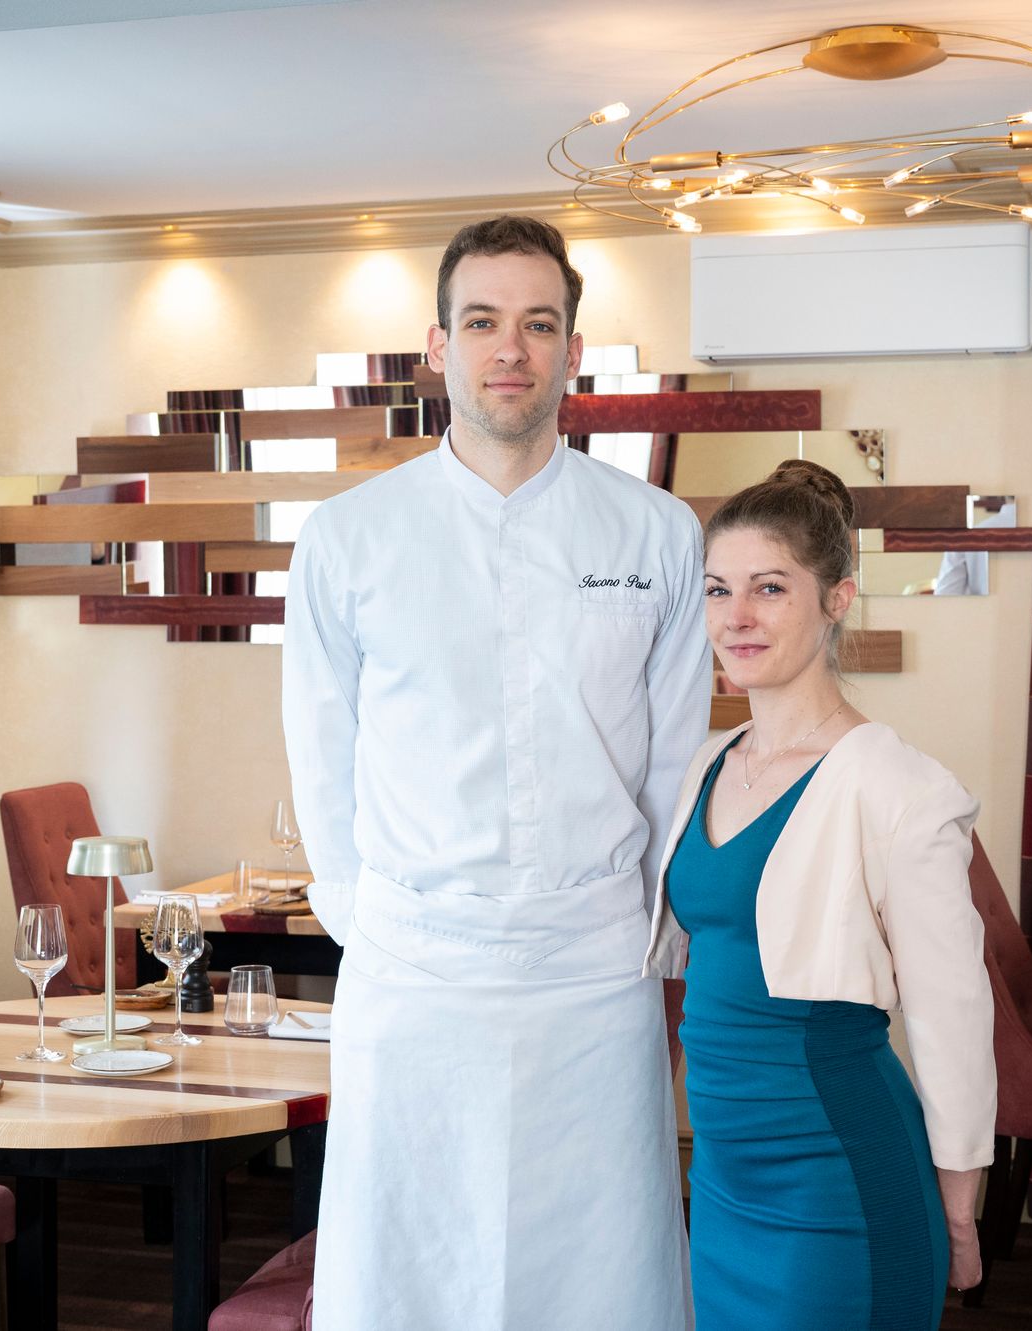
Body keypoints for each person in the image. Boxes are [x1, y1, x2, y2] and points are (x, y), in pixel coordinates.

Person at [282, 215, 709, 1330]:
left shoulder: (658, 533)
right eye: (481, 321)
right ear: (437, 345)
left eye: (537, 322)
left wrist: (650, 928)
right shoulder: (347, 538)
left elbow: (674, 753)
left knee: (602, 1283)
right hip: (413, 972)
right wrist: (362, 920)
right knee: (406, 1278)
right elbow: (320, 755)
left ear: (573, 347)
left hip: (593, 969)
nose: (508, 348)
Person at [643, 459, 994, 1330]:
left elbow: (953, 1018)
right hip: (722, 1179)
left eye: (770, 587)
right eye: (719, 590)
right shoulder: (708, 766)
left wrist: (958, 1207)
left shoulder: (899, 787)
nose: (737, 617)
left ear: (837, 598)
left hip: (837, 1177)